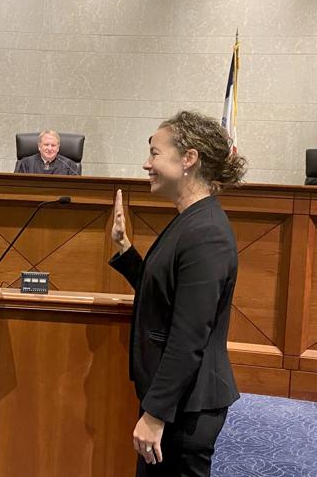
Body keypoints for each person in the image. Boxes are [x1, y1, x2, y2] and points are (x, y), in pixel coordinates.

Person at [108, 111, 246, 477]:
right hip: (177, 403)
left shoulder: (206, 232)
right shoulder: (191, 220)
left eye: (155, 153)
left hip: (186, 409)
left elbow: (189, 335)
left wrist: (155, 414)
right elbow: (168, 298)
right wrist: (125, 250)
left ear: (189, 159)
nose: (146, 163)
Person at [14, 130, 79, 175]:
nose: (49, 148)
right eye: (46, 145)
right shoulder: (25, 164)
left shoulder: (70, 166)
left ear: (58, 148)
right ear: (39, 146)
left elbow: (76, 189)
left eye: (53, 145)